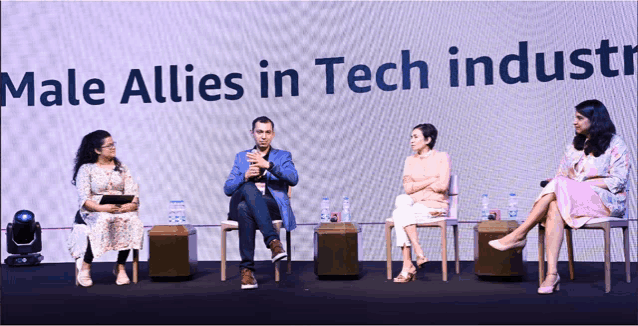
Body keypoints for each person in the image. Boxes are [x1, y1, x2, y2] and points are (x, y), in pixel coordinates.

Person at [489, 99, 631, 294]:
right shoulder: (574, 146)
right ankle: (552, 274)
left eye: (580, 118)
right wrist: (567, 185)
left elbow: (619, 181)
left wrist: (580, 185)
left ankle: (520, 234)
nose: (575, 122)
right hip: (574, 200)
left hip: (606, 202)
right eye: (575, 118)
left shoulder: (616, 144)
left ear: (595, 119)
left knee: (559, 186)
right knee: (555, 203)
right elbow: (561, 176)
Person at [223, 116, 298, 290]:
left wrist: (268, 165)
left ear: (273, 135)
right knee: (248, 189)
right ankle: (273, 242)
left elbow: (293, 179)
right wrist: (245, 176)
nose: (263, 136)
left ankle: (247, 271)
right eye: (259, 132)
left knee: (245, 208)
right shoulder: (242, 157)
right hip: (240, 199)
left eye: (267, 132)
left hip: (271, 206)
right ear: (252, 133)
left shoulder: (282, 156)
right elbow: (228, 189)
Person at [68, 130, 143, 287]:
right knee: (104, 219)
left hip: (120, 208)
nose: (113, 148)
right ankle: (86, 267)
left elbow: (133, 192)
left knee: (132, 221)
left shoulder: (121, 168)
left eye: (113, 144)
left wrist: (129, 206)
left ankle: (120, 266)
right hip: (94, 210)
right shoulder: (86, 169)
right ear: (97, 150)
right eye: (109, 146)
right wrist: (102, 208)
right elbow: (84, 199)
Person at [391, 123, 451, 283]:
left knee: (399, 213)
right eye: (411, 137)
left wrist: (420, 185)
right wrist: (431, 179)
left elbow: (442, 186)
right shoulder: (409, 160)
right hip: (415, 206)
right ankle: (417, 250)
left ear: (428, 139)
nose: (411, 140)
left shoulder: (442, 157)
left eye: (415, 137)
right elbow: (407, 188)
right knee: (401, 199)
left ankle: (408, 265)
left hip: (435, 206)